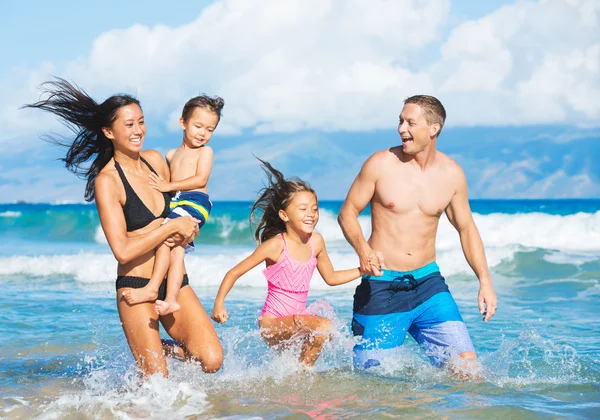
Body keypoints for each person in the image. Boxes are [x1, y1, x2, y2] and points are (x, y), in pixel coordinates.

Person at [23, 78, 223, 377]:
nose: (138, 130)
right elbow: (123, 249)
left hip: (173, 282)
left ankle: (159, 348)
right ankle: (147, 355)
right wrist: (168, 228)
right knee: (157, 383)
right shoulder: (108, 181)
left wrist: (189, 227)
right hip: (136, 286)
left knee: (211, 360)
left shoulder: (156, 160)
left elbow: (183, 210)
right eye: (129, 125)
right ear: (108, 131)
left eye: (141, 122)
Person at [337, 95, 498, 371]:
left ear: (433, 129)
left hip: (428, 285)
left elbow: (466, 228)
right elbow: (347, 212)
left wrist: (485, 280)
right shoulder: (380, 164)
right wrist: (363, 249)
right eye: (400, 121)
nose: (402, 129)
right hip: (381, 285)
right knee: (372, 383)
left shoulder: (452, 174)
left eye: (410, 122)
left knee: (468, 371)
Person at [211, 159, 381, 366]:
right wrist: (219, 304)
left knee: (318, 337)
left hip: (297, 319)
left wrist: (362, 270)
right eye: (303, 209)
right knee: (323, 326)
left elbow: (331, 278)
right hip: (272, 324)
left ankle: (301, 379)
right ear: (284, 215)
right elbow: (234, 272)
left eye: (314, 209)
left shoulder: (316, 242)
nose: (311, 214)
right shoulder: (275, 246)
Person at [122, 95, 224, 316]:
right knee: (176, 251)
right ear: (183, 123)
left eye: (209, 129)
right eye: (198, 126)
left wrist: (168, 185)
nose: (203, 133)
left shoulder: (205, 152)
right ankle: (171, 300)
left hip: (195, 202)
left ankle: (151, 288)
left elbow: (200, 180)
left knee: (163, 238)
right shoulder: (171, 154)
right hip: (179, 202)